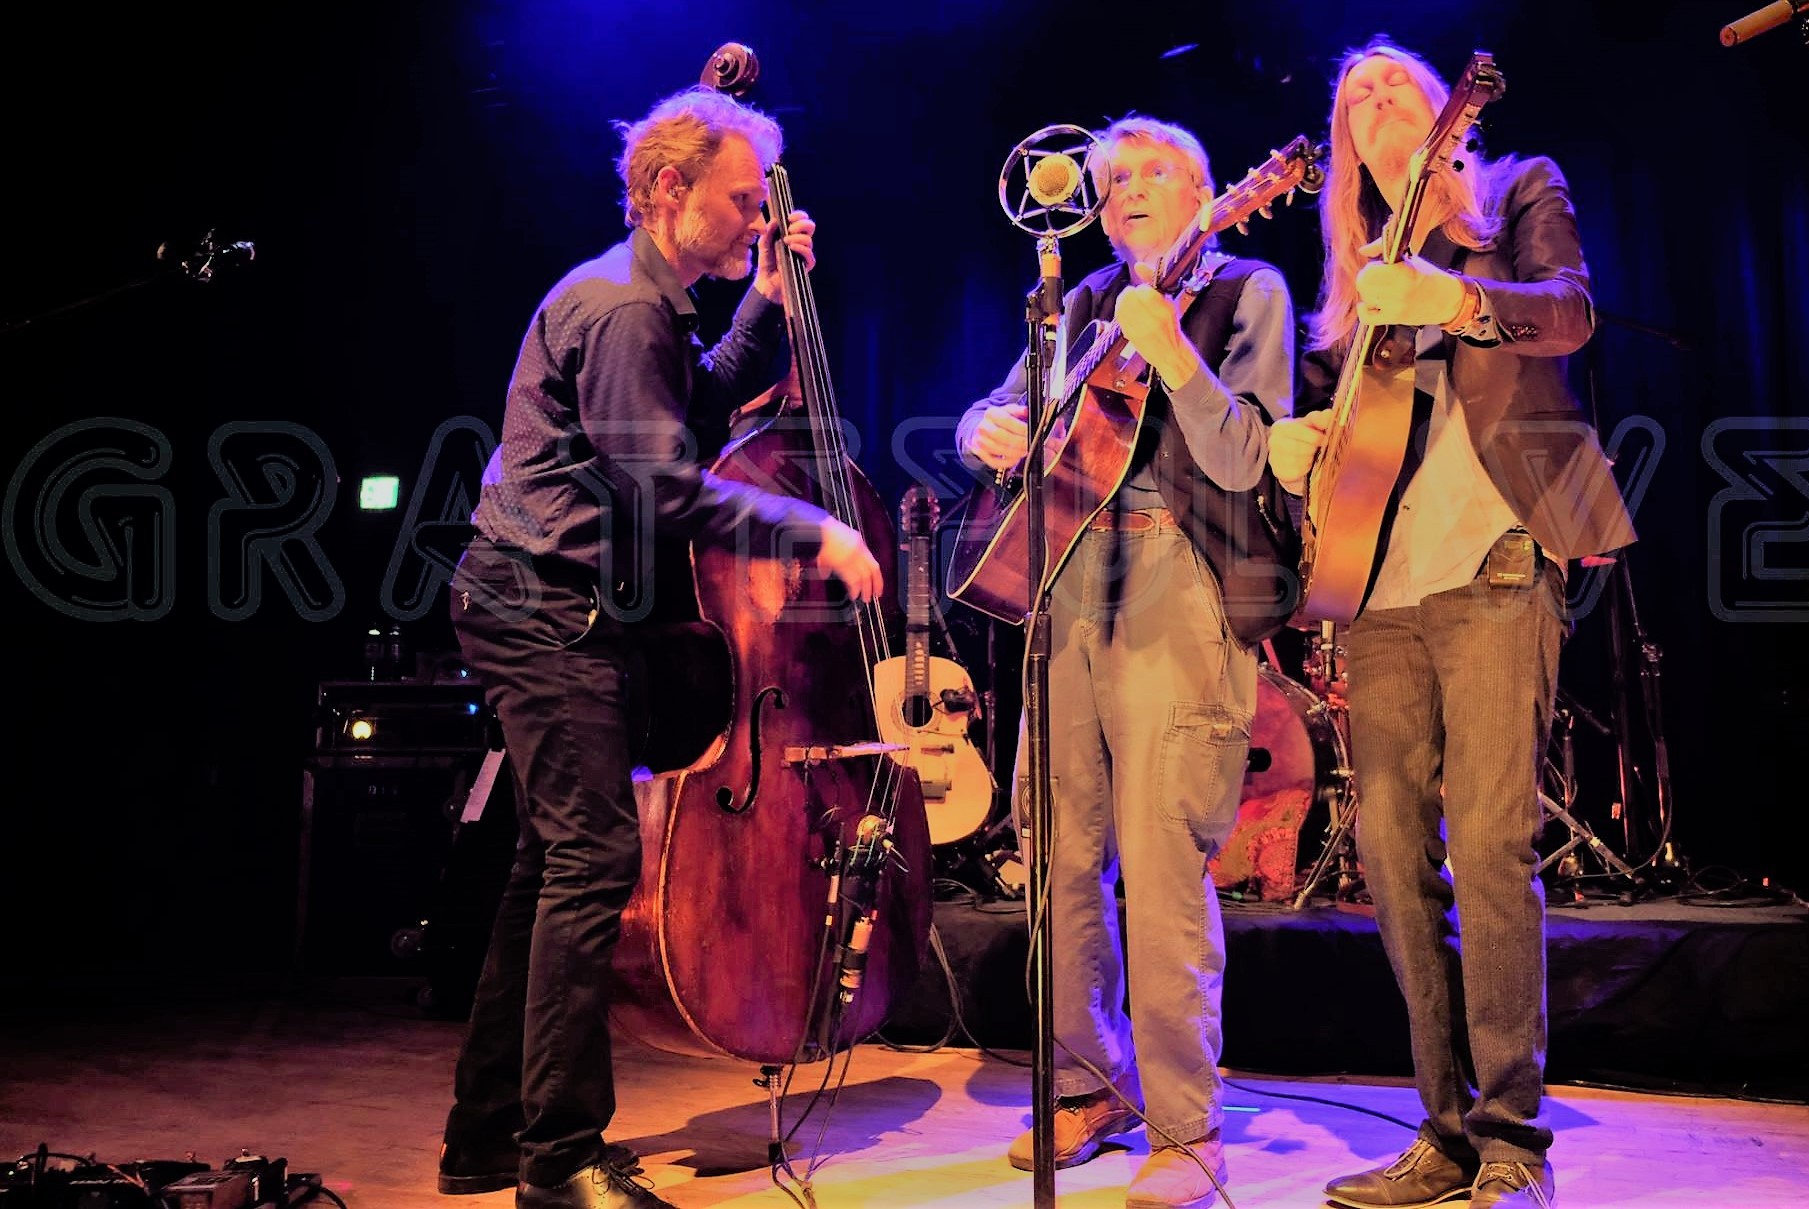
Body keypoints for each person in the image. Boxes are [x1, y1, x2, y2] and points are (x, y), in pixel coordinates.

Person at [435, 86, 883, 1209]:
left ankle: (487, 1135)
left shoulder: (648, 300)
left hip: (545, 600)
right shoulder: (623, 309)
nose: (757, 221)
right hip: (540, 606)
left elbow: (695, 404)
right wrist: (811, 525)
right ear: (666, 189)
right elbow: (665, 485)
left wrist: (770, 303)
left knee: (552, 868)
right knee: (590, 865)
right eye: (742, 201)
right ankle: (557, 1160)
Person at [1267, 38, 1636, 1209]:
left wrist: (1456, 297)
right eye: (1350, 99)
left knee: (1486, 847)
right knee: (1386, 857)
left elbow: (1570, 315)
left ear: (1440, 114)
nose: (1371, 102)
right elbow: (1362, 446)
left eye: (1391, 86)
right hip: (1375, 593)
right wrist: (1301, 445)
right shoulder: (1356, 276)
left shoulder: (1514, 188)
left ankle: (1513, 1138)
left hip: (1492, 561)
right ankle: (1442, 1130)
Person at [956, 115, 1300, 1209]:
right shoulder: (1081, 302)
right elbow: (1003, 406)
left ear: (1212, 193)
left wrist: (1174, 351)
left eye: (1154, 174)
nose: (1126, 192)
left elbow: (1248, 452)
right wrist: (982, 431)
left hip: (1174, 581)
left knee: (1157, 873)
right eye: (1110, 182)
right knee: (1056, 856)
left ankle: (1187, 1130)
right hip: (1063, 584)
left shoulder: (1246, 289)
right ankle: (1082, 1085)